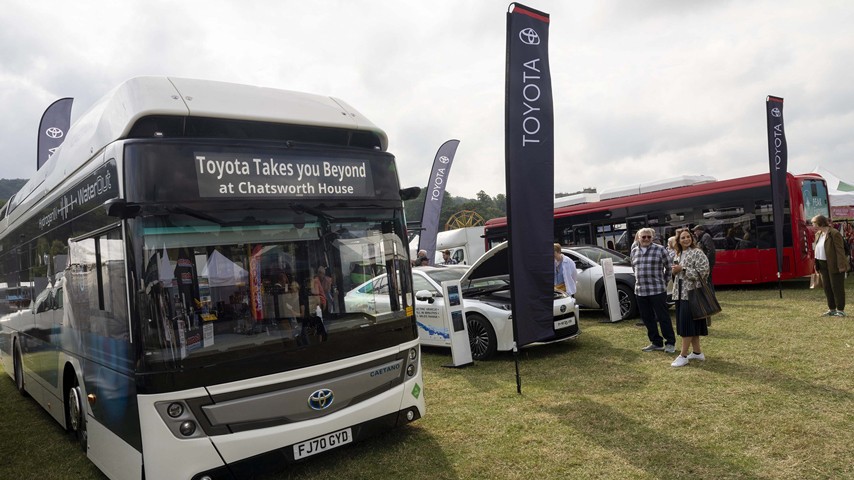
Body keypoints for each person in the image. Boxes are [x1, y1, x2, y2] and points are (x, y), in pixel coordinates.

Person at [630, 227, 676, 353]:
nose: (646, 239)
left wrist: (664, 282)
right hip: (640, 291)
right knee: (647, 318)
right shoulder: (634, 250)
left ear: (652, 238)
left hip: (657, 290)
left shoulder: (660, 250)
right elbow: (634, 267)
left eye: (648, 237)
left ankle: (670, 342)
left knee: (663, 317)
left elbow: (669, 268)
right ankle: (656, 342)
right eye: (643, 237)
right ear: (638, 238)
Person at [670, 228, 710, 367]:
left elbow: (703, 272)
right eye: (683, 238)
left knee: (687, 325)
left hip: (691, 293)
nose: (686, 239)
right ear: (678, 241)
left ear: (692, 238)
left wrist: (683, 269)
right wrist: (674, 272)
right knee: (689, 324)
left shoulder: (697, 253)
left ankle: (683, 355)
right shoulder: (679, 253)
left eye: (688, 237)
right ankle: (698, 353)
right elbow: (676, 273)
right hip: (679, 293)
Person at [811, 214, 848, 316]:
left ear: (820, 223)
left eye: (814, 223)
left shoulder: (834, 233)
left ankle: (840, 310)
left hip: (834, 264)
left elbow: (840, 251)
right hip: (822, 264)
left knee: (837, 287)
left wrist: (841, 265)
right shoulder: (818, 234)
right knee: (827, 287)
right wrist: (816, 265)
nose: (813, 225)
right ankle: (832, 309)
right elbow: (817, 249)